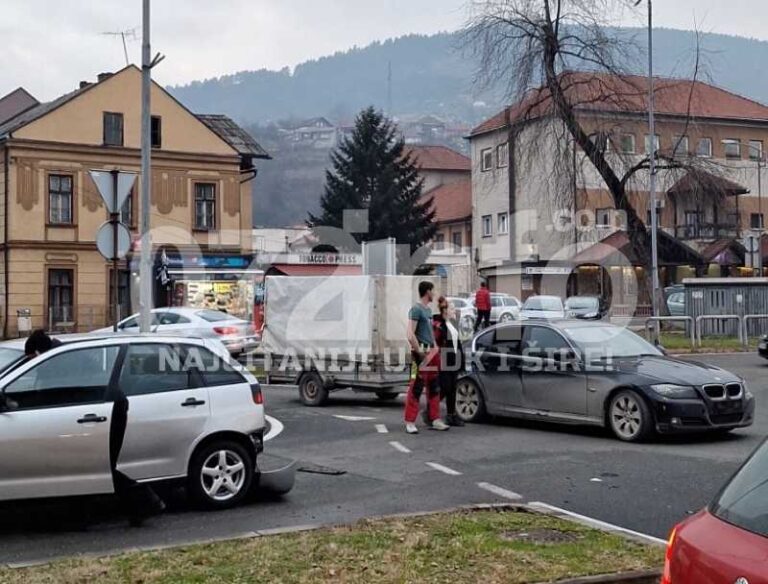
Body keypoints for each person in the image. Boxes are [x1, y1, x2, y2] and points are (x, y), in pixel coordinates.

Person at [404, 281, 449, 434]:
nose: (434, 293)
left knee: (434, 386)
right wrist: (418, 351)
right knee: (416, 386)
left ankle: (435, 418)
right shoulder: (416, 309)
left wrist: (435, 347)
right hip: (421, 353)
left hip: (431, 352)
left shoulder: (428, 311)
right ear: (427, 292)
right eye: (432, 290)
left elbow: (429, 332)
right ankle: (410, 421)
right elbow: (410, 334)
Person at [433, 297, 465, 427]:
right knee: (445, 388)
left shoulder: (453, 324)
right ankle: (431, 410)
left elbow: (458, 344)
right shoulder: (439, 325)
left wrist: (462, 360)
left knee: (452, 389)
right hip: (444, 360)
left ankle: (451, 415)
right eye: (452, 308)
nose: (454, 310)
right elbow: (436, 343)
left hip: (454, 360)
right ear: (445, 310)